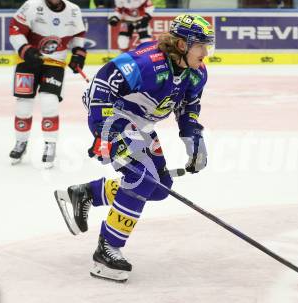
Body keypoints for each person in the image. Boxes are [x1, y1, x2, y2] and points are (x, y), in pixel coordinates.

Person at [54, 14, 214, 282]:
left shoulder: (196, 73)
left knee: (159, 187)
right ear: (183, 45)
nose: (206, 53)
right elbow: (101, 85)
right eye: (201, 45)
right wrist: (104, 132)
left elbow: (189, 109)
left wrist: (194, 141)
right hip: (114, 118)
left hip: (140, 124)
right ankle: (107, 249)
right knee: (142, 177)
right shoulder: (146, 63)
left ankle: (87, 194)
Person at [8, 0, 87, 168]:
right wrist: (25, 49)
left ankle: (50, 144)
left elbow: (78, 35)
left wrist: (78, 54)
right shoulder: (31, 5)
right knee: (23, 105)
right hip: (27, 61)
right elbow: (15, 28)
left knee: (49, 102)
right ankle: (20, 142)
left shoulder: (74, 10)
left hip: (55, 63)